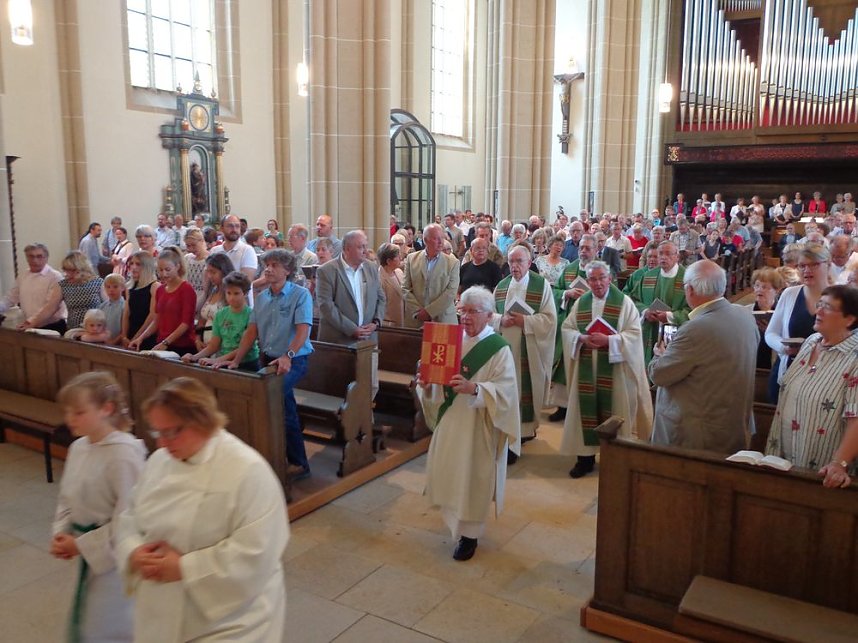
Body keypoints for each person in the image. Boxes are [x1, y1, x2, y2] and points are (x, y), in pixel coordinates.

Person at [115, 377, 289, 642]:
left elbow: (258, 550)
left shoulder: (247, 470)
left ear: (202, 420)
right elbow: (130, 515)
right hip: (160, 605)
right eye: (157, 432)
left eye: (171, 431)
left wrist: (185, 567)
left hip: (230, 619)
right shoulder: (160, 461)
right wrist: (134, 552)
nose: (162, 443)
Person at [417, 286, 520, 561]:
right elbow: (436, 383)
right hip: (451, 420)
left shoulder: (498, 349)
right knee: (453, 473)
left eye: (473, 311)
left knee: (473, 477)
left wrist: (476, 388)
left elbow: (507, 392)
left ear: (489, 315)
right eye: (462, 310)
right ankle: (454, 522)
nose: (466, 317)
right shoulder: (450, 340)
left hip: (479, 424)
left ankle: (470, 536)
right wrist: (427, 384)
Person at [52, 371, 146, 643]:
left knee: (111, 625)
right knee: (88, 621)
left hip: (113, 561)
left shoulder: (124, 454)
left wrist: (81, 545)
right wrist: (62, 531)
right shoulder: (79, 447)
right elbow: (66, 496)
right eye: (68, 411)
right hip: (85, 550)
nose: (70, 419)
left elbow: (129, 519)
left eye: (79, 412)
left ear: (107, 408)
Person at [650, 260, 758, 454]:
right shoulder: (745, 316)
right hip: (732, 424)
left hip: (694, 436)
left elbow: (659, 375)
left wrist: (659, 355)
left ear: (689, 289)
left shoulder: (694, 330)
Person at [559, 261, 653, 477]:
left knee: (616, 412)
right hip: (587, 368)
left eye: (602, 277)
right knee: (585, 412)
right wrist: (581, 337)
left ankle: (615, 459)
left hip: (615, 369)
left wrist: (610, 340)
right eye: (593, 279)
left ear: (610, 278)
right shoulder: (581, 302)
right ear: (588, 280)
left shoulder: (624, 303)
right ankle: (585, 458)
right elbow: (567, 329)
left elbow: (634, 335)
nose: (598, 283)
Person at [226, 249, 314, 478]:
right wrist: (236, 360)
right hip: (268, 358)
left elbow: (303, 330)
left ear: (287, 270)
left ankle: (292, 461)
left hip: (294, 360)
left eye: (274, 265)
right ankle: (284, 459)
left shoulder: (300, 294)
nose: (268, 268)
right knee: (284, 408)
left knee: (275, 404)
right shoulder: (263, 297)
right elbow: (251, 332)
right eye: (267, 264)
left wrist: (288, 355)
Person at [765, 285, 858, 487]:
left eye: (828, 307)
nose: (819, 312)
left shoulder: (855, 357)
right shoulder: (811, 341)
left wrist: (839, 463)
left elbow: (856, 417)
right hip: (786, 452)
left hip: (822, 468)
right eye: (820, 304)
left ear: (849, 319)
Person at [491, 245, 557, 447]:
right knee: (508, 391)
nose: (514, 266)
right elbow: (489, 314)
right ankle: (509, 434)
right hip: (506, 350)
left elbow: (550, 319)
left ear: (529, 263)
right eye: (511, 261)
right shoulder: (501, 286)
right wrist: (501, 320)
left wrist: (525, 322)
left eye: (519, 261)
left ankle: (526, 430)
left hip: (530, 350)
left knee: (527, 390)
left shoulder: (541, 285)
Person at [765, 243, 831, 403]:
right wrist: (783, 348)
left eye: (814, 264)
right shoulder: (790, 294)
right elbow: (770, 333)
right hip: (790, 370)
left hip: (825, 376)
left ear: (828, 265)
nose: (807, 270)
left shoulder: (841, 296)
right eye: (802, 266)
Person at [316, 230, 386, 344]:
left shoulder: (371, 267)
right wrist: (351, 329)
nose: (365, 251)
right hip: (338, 340)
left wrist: (376, 322)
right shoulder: (326, 271)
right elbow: (326, 306)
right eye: (360, 247)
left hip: (368, 340)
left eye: (365, 246)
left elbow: (381, 298)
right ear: (347, 249)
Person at [628, 241, 691, 364]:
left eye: (668, 254)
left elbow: (694, 309)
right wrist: (645, 311)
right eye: (661, 254)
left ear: (677, 256)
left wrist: (669, 316)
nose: (663, 257)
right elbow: (633, 299)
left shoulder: (687, 278)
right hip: (650, 329)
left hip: (677, 332)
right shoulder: (648, 276)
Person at [183, 271, 260, 371]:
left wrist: (218, 360)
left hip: (247, 363)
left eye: (236, 293)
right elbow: (214, 345)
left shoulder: (251, 314)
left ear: (245, 293)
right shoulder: (220, 314)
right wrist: (195, 357)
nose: (232, 297)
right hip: (223, 362)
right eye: (229, 293)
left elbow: (246, 346)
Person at [128, 248, 197, 356]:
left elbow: (186, 323)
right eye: (160, 270)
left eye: (167, 269)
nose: (164, 274)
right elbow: (156, 320)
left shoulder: (186, 289)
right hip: (162, 342)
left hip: (182, 345)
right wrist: (140, 338)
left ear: (177, 267)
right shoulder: (160, 289)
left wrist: (166, 342)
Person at [402, 223, 460, 328]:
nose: (440, 242)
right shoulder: (411, 259)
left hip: (443, 319)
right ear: (425, 240)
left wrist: (429, 312)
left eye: (442, 238)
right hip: (416, 319)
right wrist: (418, 311)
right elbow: (405, 288)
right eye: (436, 238)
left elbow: (451, 292)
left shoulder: (452, 262)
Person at [1, 243, 67, 334]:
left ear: (46, 257)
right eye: (31, 256)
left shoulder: (55, 276)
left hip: (52, 325)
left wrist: (31, 321)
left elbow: (50, 306)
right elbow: (10, 297)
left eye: (39, 256)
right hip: (31, 324)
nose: (35, 260)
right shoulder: (23, 276)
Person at [48, 251, 106, 331]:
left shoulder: (98, 282)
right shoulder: (63, 285)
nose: (67, 274)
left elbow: (108, 306)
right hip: (73, 330)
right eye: (66, 270)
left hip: (95, 330)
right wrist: (33, 322)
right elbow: (50, 308)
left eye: (71, 270)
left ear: (81, 269)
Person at [210, 215, 258, 305]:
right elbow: (210, 279)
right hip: (217, 301)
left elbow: (245, 282)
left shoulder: (247, 250)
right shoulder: (214, 251)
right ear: (222, 228)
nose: (234, 229)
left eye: (237, 226)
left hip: (239, 304)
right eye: (230, 226)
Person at [121, 251, 159, 350]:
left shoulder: (154, 286)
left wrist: (137, 337)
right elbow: (126, 314)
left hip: (147, 335)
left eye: (138, 264)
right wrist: (124, 336)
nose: (133, 267)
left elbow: (152, 316)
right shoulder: (129, 287)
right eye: (132, 263)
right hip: (131, 332)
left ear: (147, 267)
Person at [195, 253, 233, 346]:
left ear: (223, 271)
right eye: (208, 272)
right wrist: (198, 340)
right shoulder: (213, 290)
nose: (209, 276)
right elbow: (202, 319)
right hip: (205, 343)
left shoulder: (231, 293)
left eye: (213, 272)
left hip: (223, 346)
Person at [750, 267, 784, 369]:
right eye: (757, 286)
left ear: (776, 290)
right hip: (752, 361)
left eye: (765, 287)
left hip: (773, 360)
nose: (759, 289)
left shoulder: (783, 312)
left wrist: (771, 331)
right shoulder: (745, 311)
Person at [377, 242, 405, 326]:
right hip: (389, 324)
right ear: (388, 261)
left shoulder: (399, 272)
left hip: (402, 320)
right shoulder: (379, 278)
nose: (401, 257)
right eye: (397, 256)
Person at [183, 227, 210, 306]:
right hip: (188, 299)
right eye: (188, 245)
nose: (191, 249)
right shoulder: (187, 258)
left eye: (194, 245)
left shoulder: (209, 259)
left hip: (204, 301)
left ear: (201, 241)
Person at [99, 273, 126, 344]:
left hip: (118, 344)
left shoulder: (125, 306)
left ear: (123, 287)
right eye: (108, 287)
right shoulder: (102, 306)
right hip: (102, 342)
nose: (111, 290)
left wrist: (113, 342)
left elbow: (124, 330)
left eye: (115, 287)